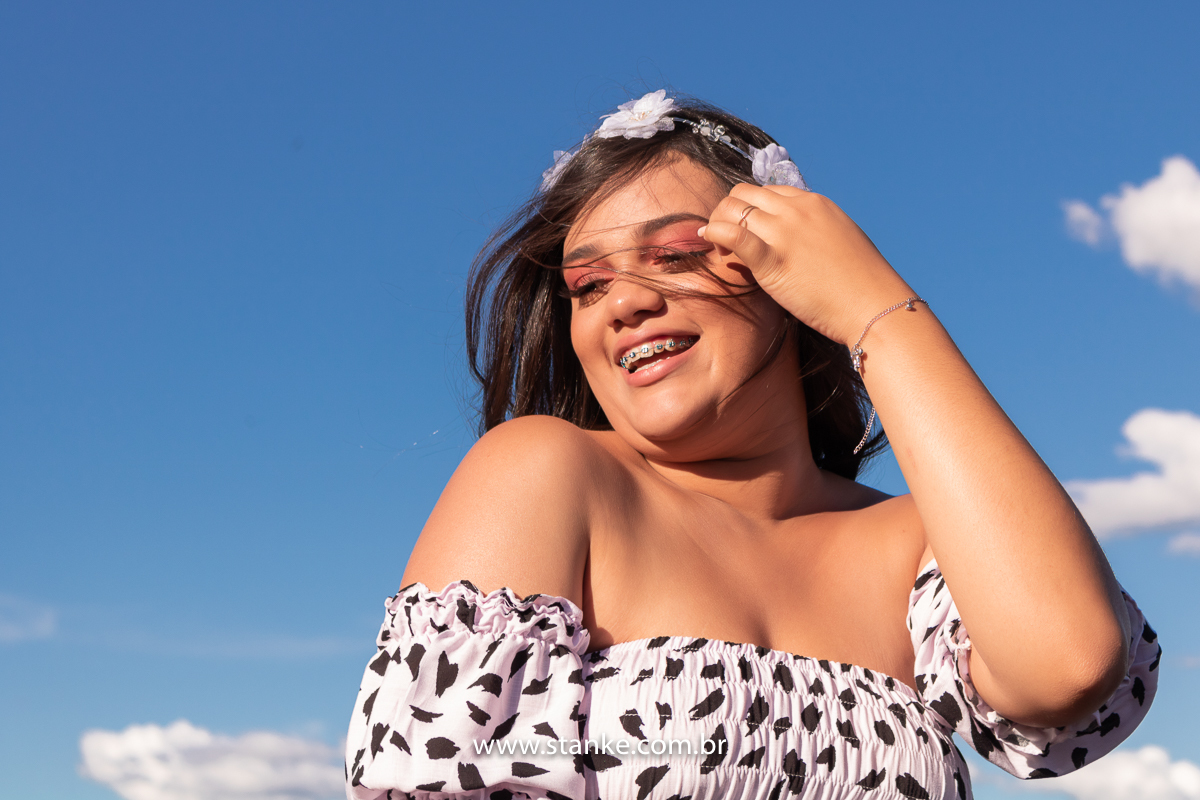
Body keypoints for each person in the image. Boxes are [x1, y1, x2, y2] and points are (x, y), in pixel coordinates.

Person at [344, 91, 1160, 800]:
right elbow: (453, 770)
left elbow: (1067, 667)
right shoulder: (548, 474)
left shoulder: (914, 545)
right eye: (587, 285)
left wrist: (879, 311)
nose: (621, 302)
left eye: (674, 255)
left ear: (793, 278)